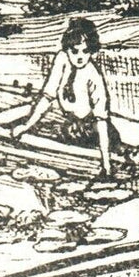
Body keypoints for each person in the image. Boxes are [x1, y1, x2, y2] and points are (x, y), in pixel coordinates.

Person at [12, 17, 118, 179]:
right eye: (74, 51)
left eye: (85, 51)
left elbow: (101, 120)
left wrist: (106, 163)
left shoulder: (93, 75)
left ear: (92, 50)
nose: (80, 57)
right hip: (71, 125)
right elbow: (48, 96)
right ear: (68, 49)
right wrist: (26, 125)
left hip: (93, 131)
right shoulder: (62, 59)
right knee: (48, 129)